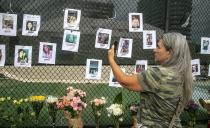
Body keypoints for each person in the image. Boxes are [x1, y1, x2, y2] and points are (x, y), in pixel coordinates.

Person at [108, 32, 193, 128]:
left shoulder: (159, 74)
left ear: (170, 53)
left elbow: (124, 81)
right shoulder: (182, 75)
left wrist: (111, 59)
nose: (154, 50)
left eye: (158, 47)